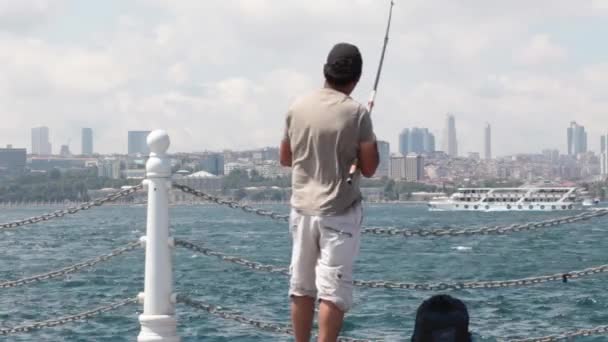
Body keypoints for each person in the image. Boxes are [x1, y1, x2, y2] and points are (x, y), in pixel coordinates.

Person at [279, 42, 379, 342]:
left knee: (301, 286)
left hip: (301, 209)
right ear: (356, 78)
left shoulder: (297, 107)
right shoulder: (357, 113)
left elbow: (286, 157)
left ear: (326, 71)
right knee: (332, 291)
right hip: (338, 211)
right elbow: (370, 166)